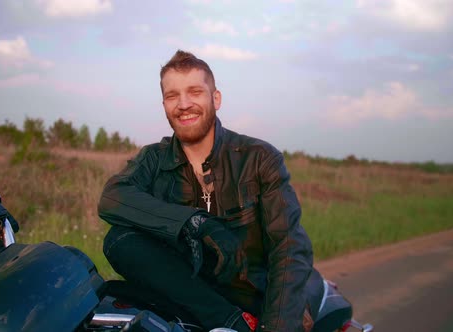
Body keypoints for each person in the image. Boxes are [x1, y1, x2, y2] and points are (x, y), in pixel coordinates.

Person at [98, 50, 315, 332]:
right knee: (118, 240)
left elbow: (288, 248)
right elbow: (112, 197)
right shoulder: (153, 158)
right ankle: (231, 322)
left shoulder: (259, 157)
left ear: (216, 99)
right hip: (194, 293)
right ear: (164, 104)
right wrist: (192, 222)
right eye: (173, 95)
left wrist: (276, 325)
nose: (183, 104)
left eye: (195, 91)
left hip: (252, 294)